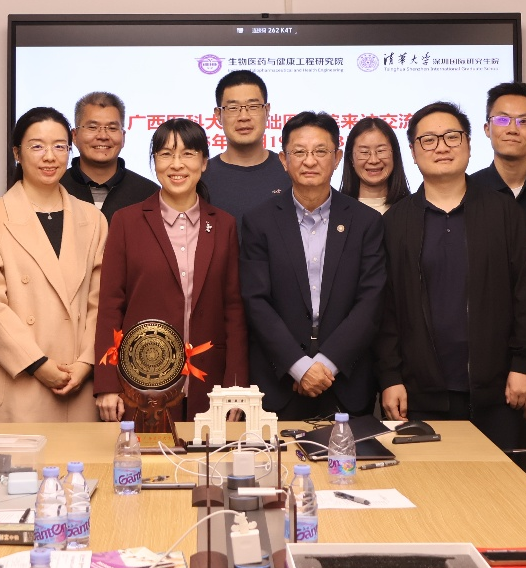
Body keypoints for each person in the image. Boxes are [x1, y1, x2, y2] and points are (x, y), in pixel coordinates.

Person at [375, 101, 526, 450]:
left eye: (452, 137)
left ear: (469, 144)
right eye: (428, 140)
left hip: (498, 390)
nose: (441, 147)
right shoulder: (396, 222)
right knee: (430, 484)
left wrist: (524, 364)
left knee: (497, 483)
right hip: (419, 394)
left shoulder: (503, 211)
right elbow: (386, 309)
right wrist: (389, 377)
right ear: (413, 152)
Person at [93, 118, 249, 422]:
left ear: (204, 162)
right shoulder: (126, 221)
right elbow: (110, 306)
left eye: (188, 154)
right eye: (166, 154)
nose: (176, 164)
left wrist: (236, 386)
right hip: (141, 382)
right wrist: (107, 384)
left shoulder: (223, 224)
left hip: (211, 385)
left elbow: (233, 311)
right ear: (154, 162)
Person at [0, 107, 108, 428]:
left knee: (78, 462)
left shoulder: (93, 220)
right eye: (37, 146)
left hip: (75, 380)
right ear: (17, 153)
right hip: (16, 380)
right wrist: (37, 363)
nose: (50, 156)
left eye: (59, 146)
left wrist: (87, 362)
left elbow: (101, 302)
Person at [240, 111, 386, 419]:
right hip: (280, 383)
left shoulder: (366, 222)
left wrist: (325, 364)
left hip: (345, 382)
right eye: (299, 152)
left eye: (320, 151)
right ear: (283, 160)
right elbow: (256, 301)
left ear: (337, 158)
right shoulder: (259, 221)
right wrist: (300, 366)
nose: (310, 161)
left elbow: (371, 302)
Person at [202, 70, 291, 221]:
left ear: (267, 111)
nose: (243, 117)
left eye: (253, 106)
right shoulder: (201, 177)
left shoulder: (291, 171)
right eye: (233, 108)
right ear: (218, 115)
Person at [470, 82, 526, 231]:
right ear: (487, 129)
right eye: (502, 119)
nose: (512, 129)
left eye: (523, 121)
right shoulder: (467, 191)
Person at [61, 91, 160, 222]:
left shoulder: (149, 194)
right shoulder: (56, 188)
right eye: (92, 127)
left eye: (112, 128)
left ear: (123, 137)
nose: (103, 136)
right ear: (74, 136)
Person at [338, 116, 410, 214]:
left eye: (381, 151)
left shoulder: (411, 208)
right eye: (364, 152)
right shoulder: (336, 210)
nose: (374, 160)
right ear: (351, 159)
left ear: (394, 155)